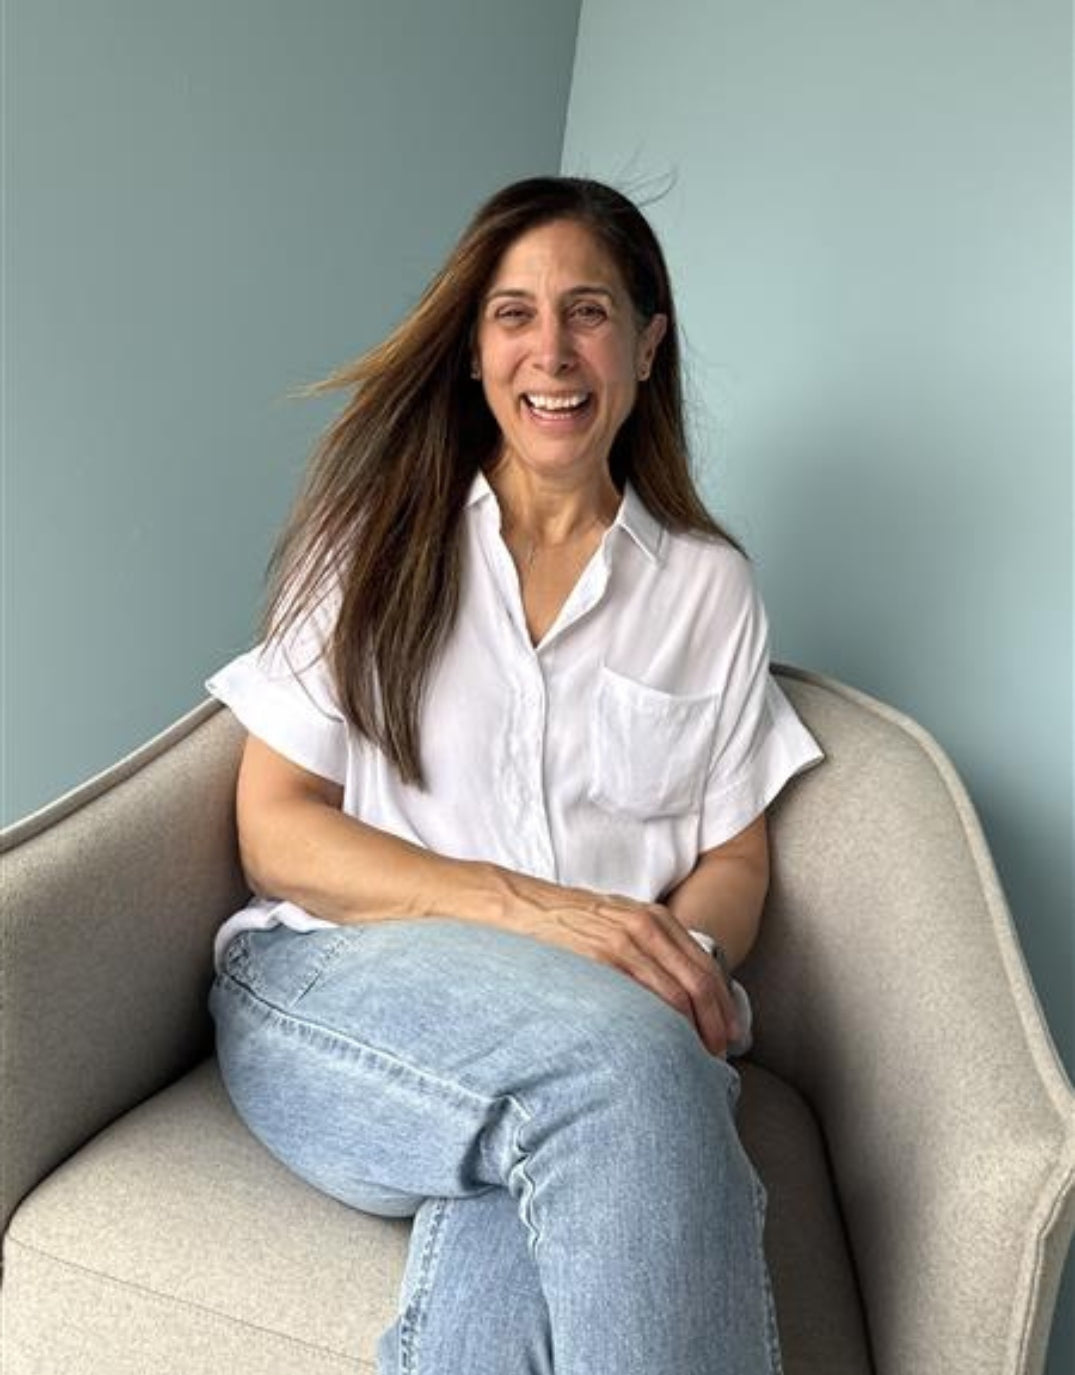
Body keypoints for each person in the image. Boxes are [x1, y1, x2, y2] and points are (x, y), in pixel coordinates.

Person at [206, 175, 822, 1375]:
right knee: (629, 1074)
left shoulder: (708, 589)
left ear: (645, 346)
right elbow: (275, 826)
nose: (552, 351)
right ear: (475, 351)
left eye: (588, 311)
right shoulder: (370, 537)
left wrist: (679, 962)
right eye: (513, 315)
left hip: (585, 1038)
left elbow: (734, 851)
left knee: (585, 1127)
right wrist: (541, 916)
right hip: (332, 984)